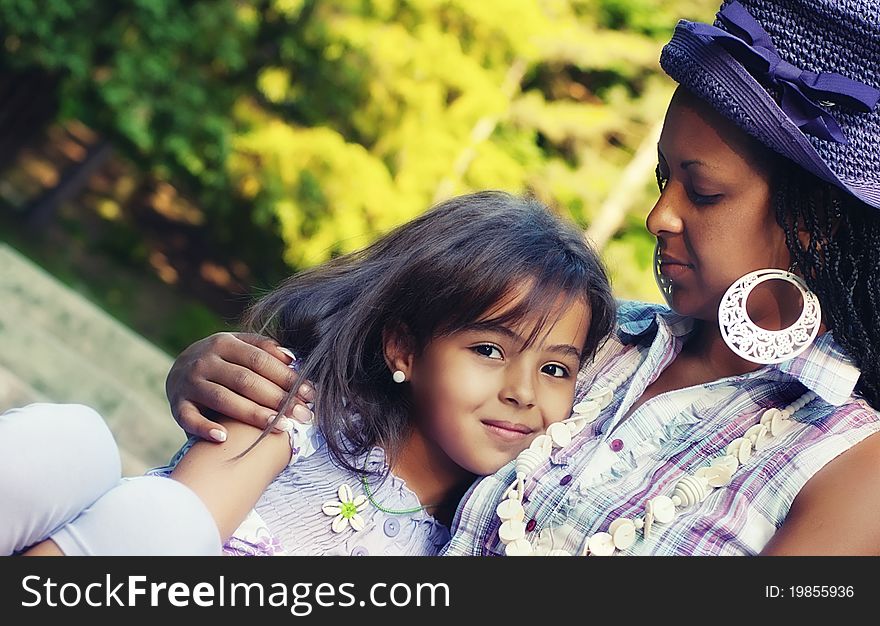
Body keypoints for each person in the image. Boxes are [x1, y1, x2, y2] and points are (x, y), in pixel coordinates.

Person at [169, 0, 880, 556]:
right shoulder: (583, 345)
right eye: (663, 178)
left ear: (814, 221)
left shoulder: (849, 459)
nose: (660, 215)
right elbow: (356, 385)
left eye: (703, 191)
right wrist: (211, 372)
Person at [1, 191, 615, 556]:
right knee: (70, 441)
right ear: (404, 347)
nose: (523, 392)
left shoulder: (475, 539)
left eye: (557, 368)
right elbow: (163, 539)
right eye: (489, 350)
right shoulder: (298, 417)